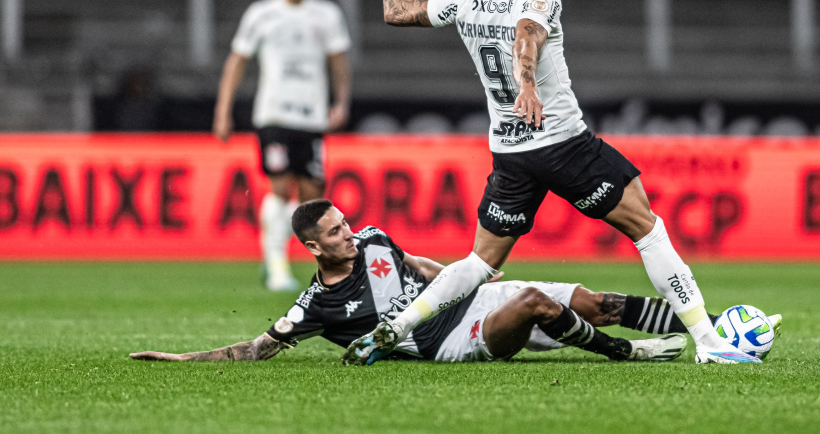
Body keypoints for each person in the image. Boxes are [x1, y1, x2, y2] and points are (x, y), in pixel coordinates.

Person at [344, 0, 761, 366]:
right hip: (563, 144)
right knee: (648, 230)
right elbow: (527, 33)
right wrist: (528, 85)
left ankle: (396, 326)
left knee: (481, 261)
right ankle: (709, 343)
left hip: (510, 154)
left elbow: (396, 10)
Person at [128, 199, 754, 365]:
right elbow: (257, 347)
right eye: (336, 233)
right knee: (537, 305)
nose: (350, 233)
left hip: (471, 295)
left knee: (596, 299)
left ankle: (709, 331)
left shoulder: (372, 239)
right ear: (312, 248)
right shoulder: (317, 304)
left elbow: (418, 266)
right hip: (455, 339)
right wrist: (181, 356)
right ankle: (628, 354)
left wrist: (467, 273)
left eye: (346, 224)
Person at [213, 0, 352, 291]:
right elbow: (237, 61)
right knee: (279, 184)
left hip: (311, 117)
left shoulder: (327, 13)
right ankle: (275, 262)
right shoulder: (262, 13)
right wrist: (223, 110)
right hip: (273, 115)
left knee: (311, 195)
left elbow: (338, 62)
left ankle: (289, 258)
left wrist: (342, 101)